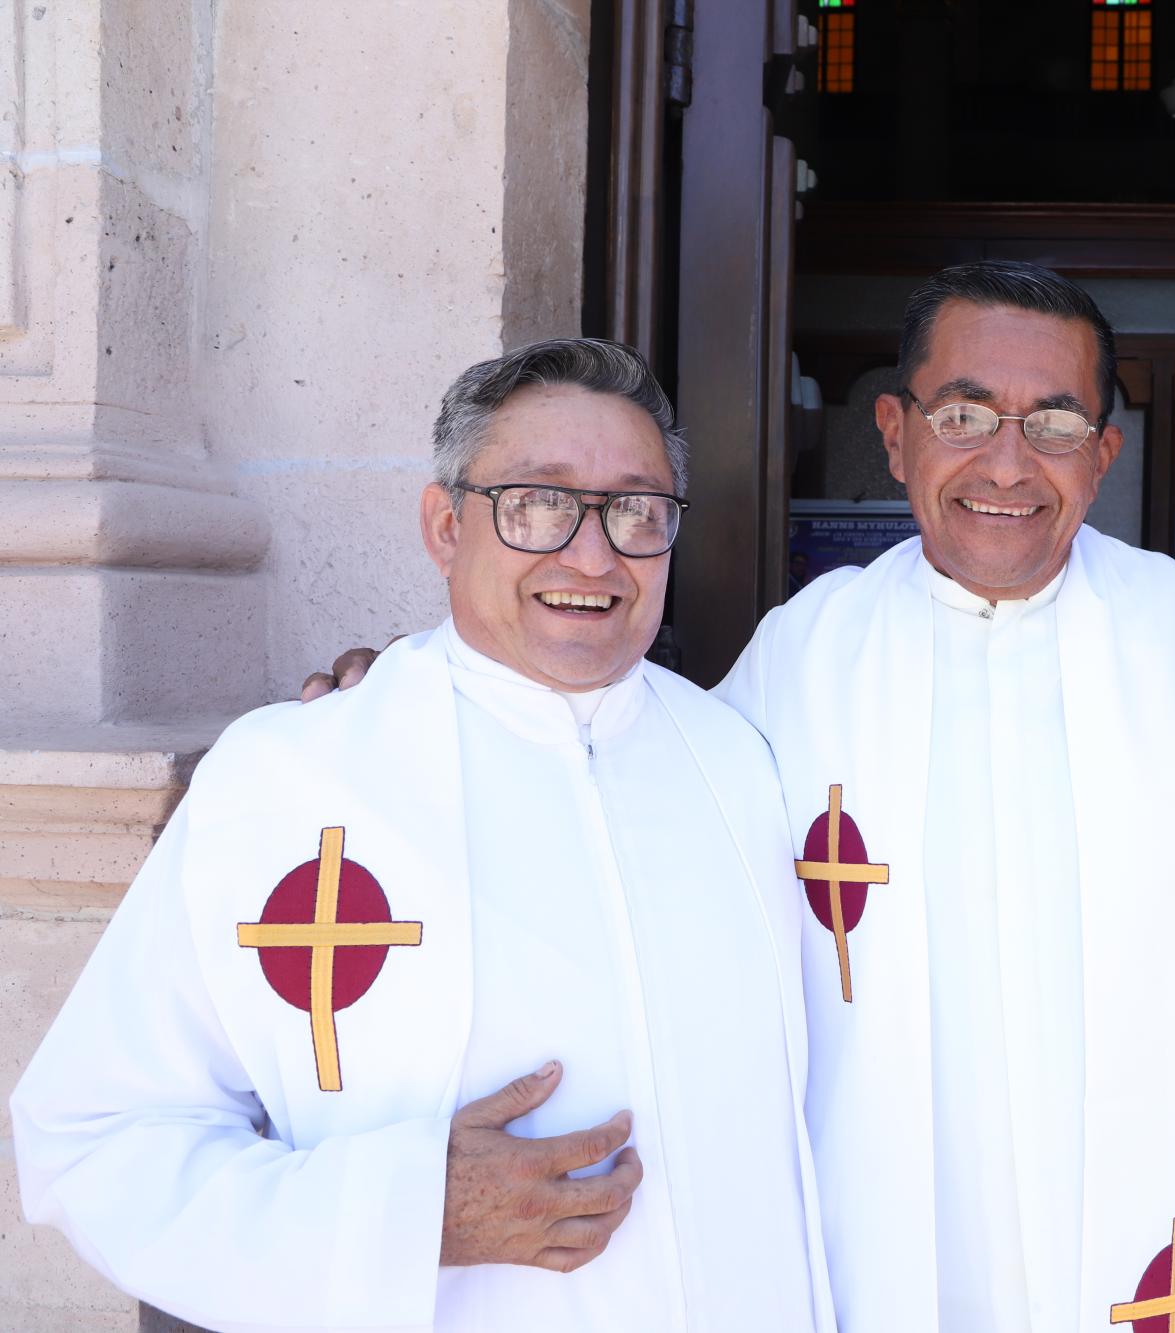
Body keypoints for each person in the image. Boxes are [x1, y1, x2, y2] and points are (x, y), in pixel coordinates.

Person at [10, 339, 833, 1332]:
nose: (592, 555)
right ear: (446, 526)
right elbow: (94, 1138)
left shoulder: (739, 762)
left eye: (636, 510)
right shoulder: (290, 778)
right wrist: (403, 1216)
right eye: (538, 502)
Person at [716, 261, 1175, 1331]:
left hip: (1148, 1219)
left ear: (1103, 454)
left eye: (1054, 424)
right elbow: (652, 816)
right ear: (895, 433)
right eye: (961, 416)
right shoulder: (803, 653)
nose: (1007, 463)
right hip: (889, 1217)